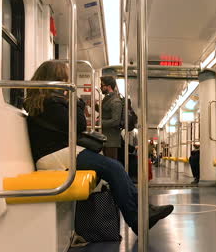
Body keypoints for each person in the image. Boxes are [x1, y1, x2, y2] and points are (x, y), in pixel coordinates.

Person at [24, 61, 173, 235]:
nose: (67, 83)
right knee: (114, 168)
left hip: (59, 152)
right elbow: (78, 124)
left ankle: (143, 212)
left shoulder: (44, 102)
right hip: (55, 156)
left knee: (114, 168)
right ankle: (138, 217)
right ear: (56, 80)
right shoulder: (51, 103)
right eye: (64, 79)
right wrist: (77, 102)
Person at [100, 76, 122, 160]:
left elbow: (115, 121)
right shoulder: (108, 98)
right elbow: (106, 112)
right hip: (106, 139)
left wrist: (100, 122)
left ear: (108, 87)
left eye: (102, 85)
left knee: (111, 164)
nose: (101, 87)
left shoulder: (115, 101)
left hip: (111, 141)